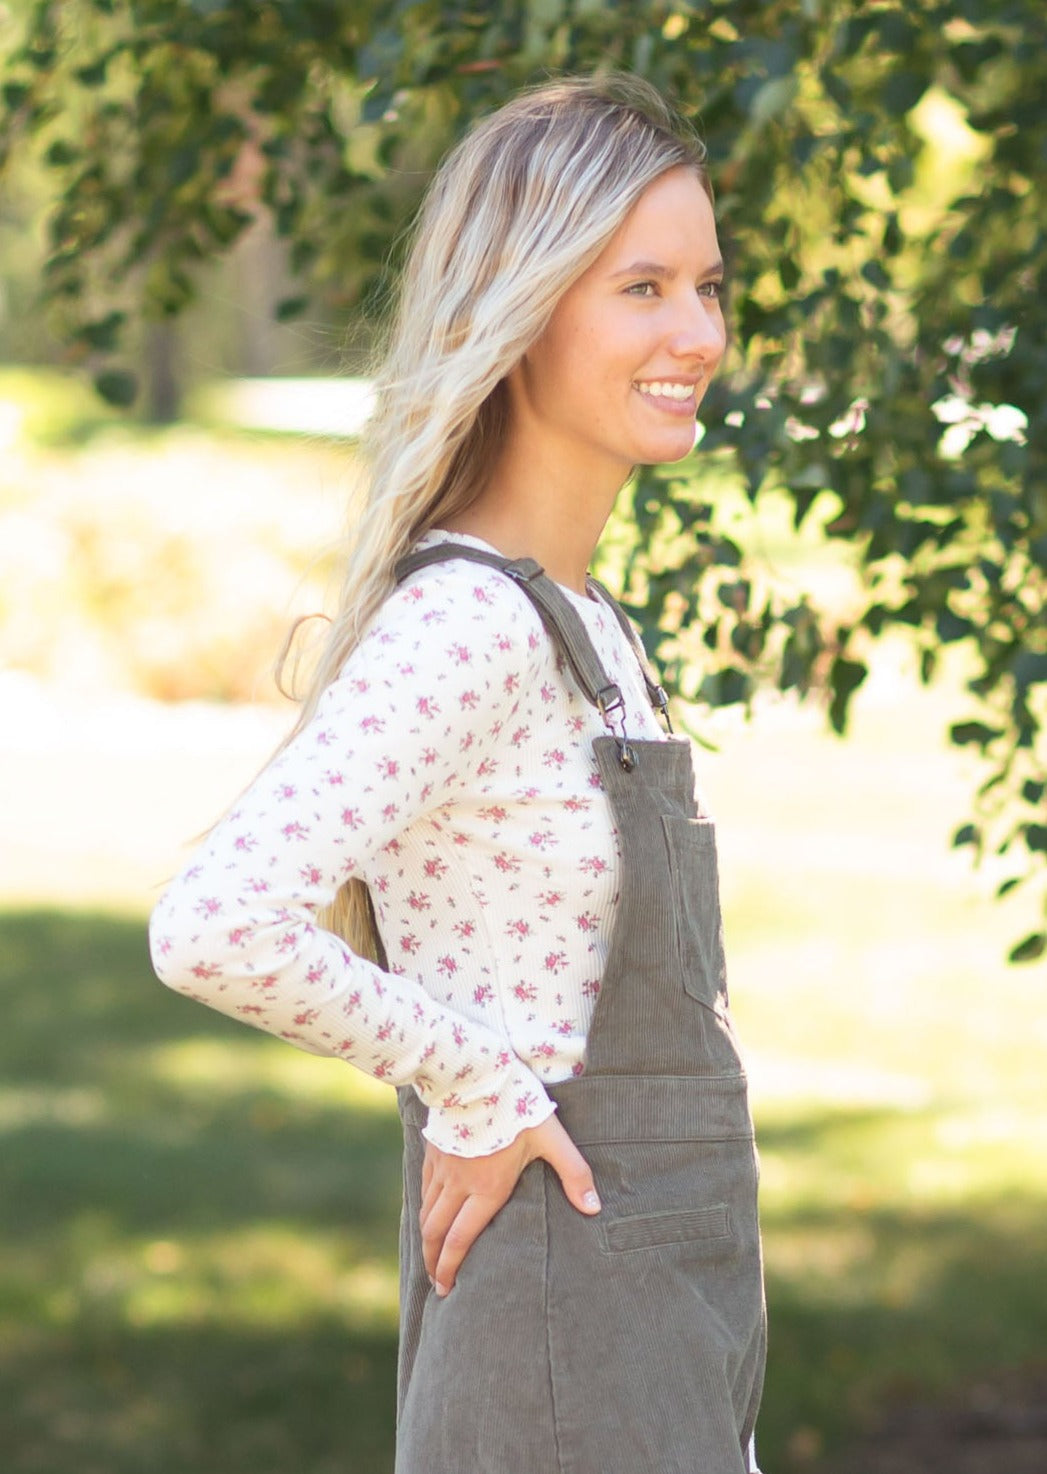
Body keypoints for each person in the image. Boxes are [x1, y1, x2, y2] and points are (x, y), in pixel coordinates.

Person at [149, 72, 766, 1474]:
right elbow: (214, 922)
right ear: (526, 307)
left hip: (664, 1310)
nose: (699, 334)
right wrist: (478, 1085)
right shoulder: (471, 622)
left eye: (708, 286)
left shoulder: (585, 625)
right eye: (645, 288)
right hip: (563, 1332)